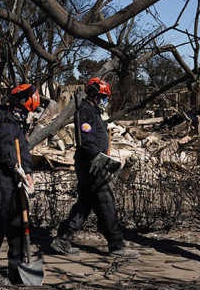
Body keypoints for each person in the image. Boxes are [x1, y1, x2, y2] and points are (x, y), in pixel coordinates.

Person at [48, 77, 139, 259]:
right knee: (106, 204)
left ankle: (63, 239)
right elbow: (86, 140)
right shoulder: (85, 111)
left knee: (85, 204)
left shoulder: (92, 111)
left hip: (92, 165)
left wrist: (105, 126)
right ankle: (116, 245)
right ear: (94, 95)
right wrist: (100, 158)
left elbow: (94, 133)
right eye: (103, 97)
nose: (105, 101)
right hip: (91, 166)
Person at [0, 83, 40, 285]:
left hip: (14, 183)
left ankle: (17, 268)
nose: (24, 114)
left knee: (18, 225)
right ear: (14, 101)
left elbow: (25, 149)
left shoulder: (17, 124)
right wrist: (13, 164)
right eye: (23, 109)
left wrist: (27, 171)